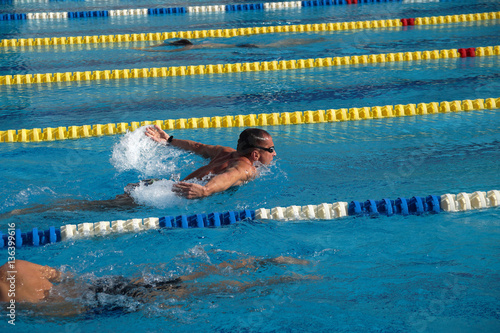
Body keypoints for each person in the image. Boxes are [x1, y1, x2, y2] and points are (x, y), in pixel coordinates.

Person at [0, 255, 313, 308]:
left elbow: (51, 313)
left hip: (98, 304)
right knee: (188, 277)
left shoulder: (6, 295)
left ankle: (279, 281)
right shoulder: (15, 264)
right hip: (103, 285)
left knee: (201, 292)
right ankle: (265, 263)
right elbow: (66, 276)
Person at [141, 126, 277, 199]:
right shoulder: (246, 168)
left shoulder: (225, 151)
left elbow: (198, 147)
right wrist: (205, 191)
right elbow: (230, 175)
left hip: (163, 186)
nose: (274, 153)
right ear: (255, 154)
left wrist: (169, 140)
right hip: (175, 197)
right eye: (271, 149)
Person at [132, 37, 325, 53]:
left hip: (243, 48)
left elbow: (179, 48)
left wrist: (145, 50)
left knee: (274, 46)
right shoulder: (201, 44)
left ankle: (313, 41)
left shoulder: (195, 46)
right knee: (277, 44)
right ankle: (313, 40)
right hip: (241, 45)